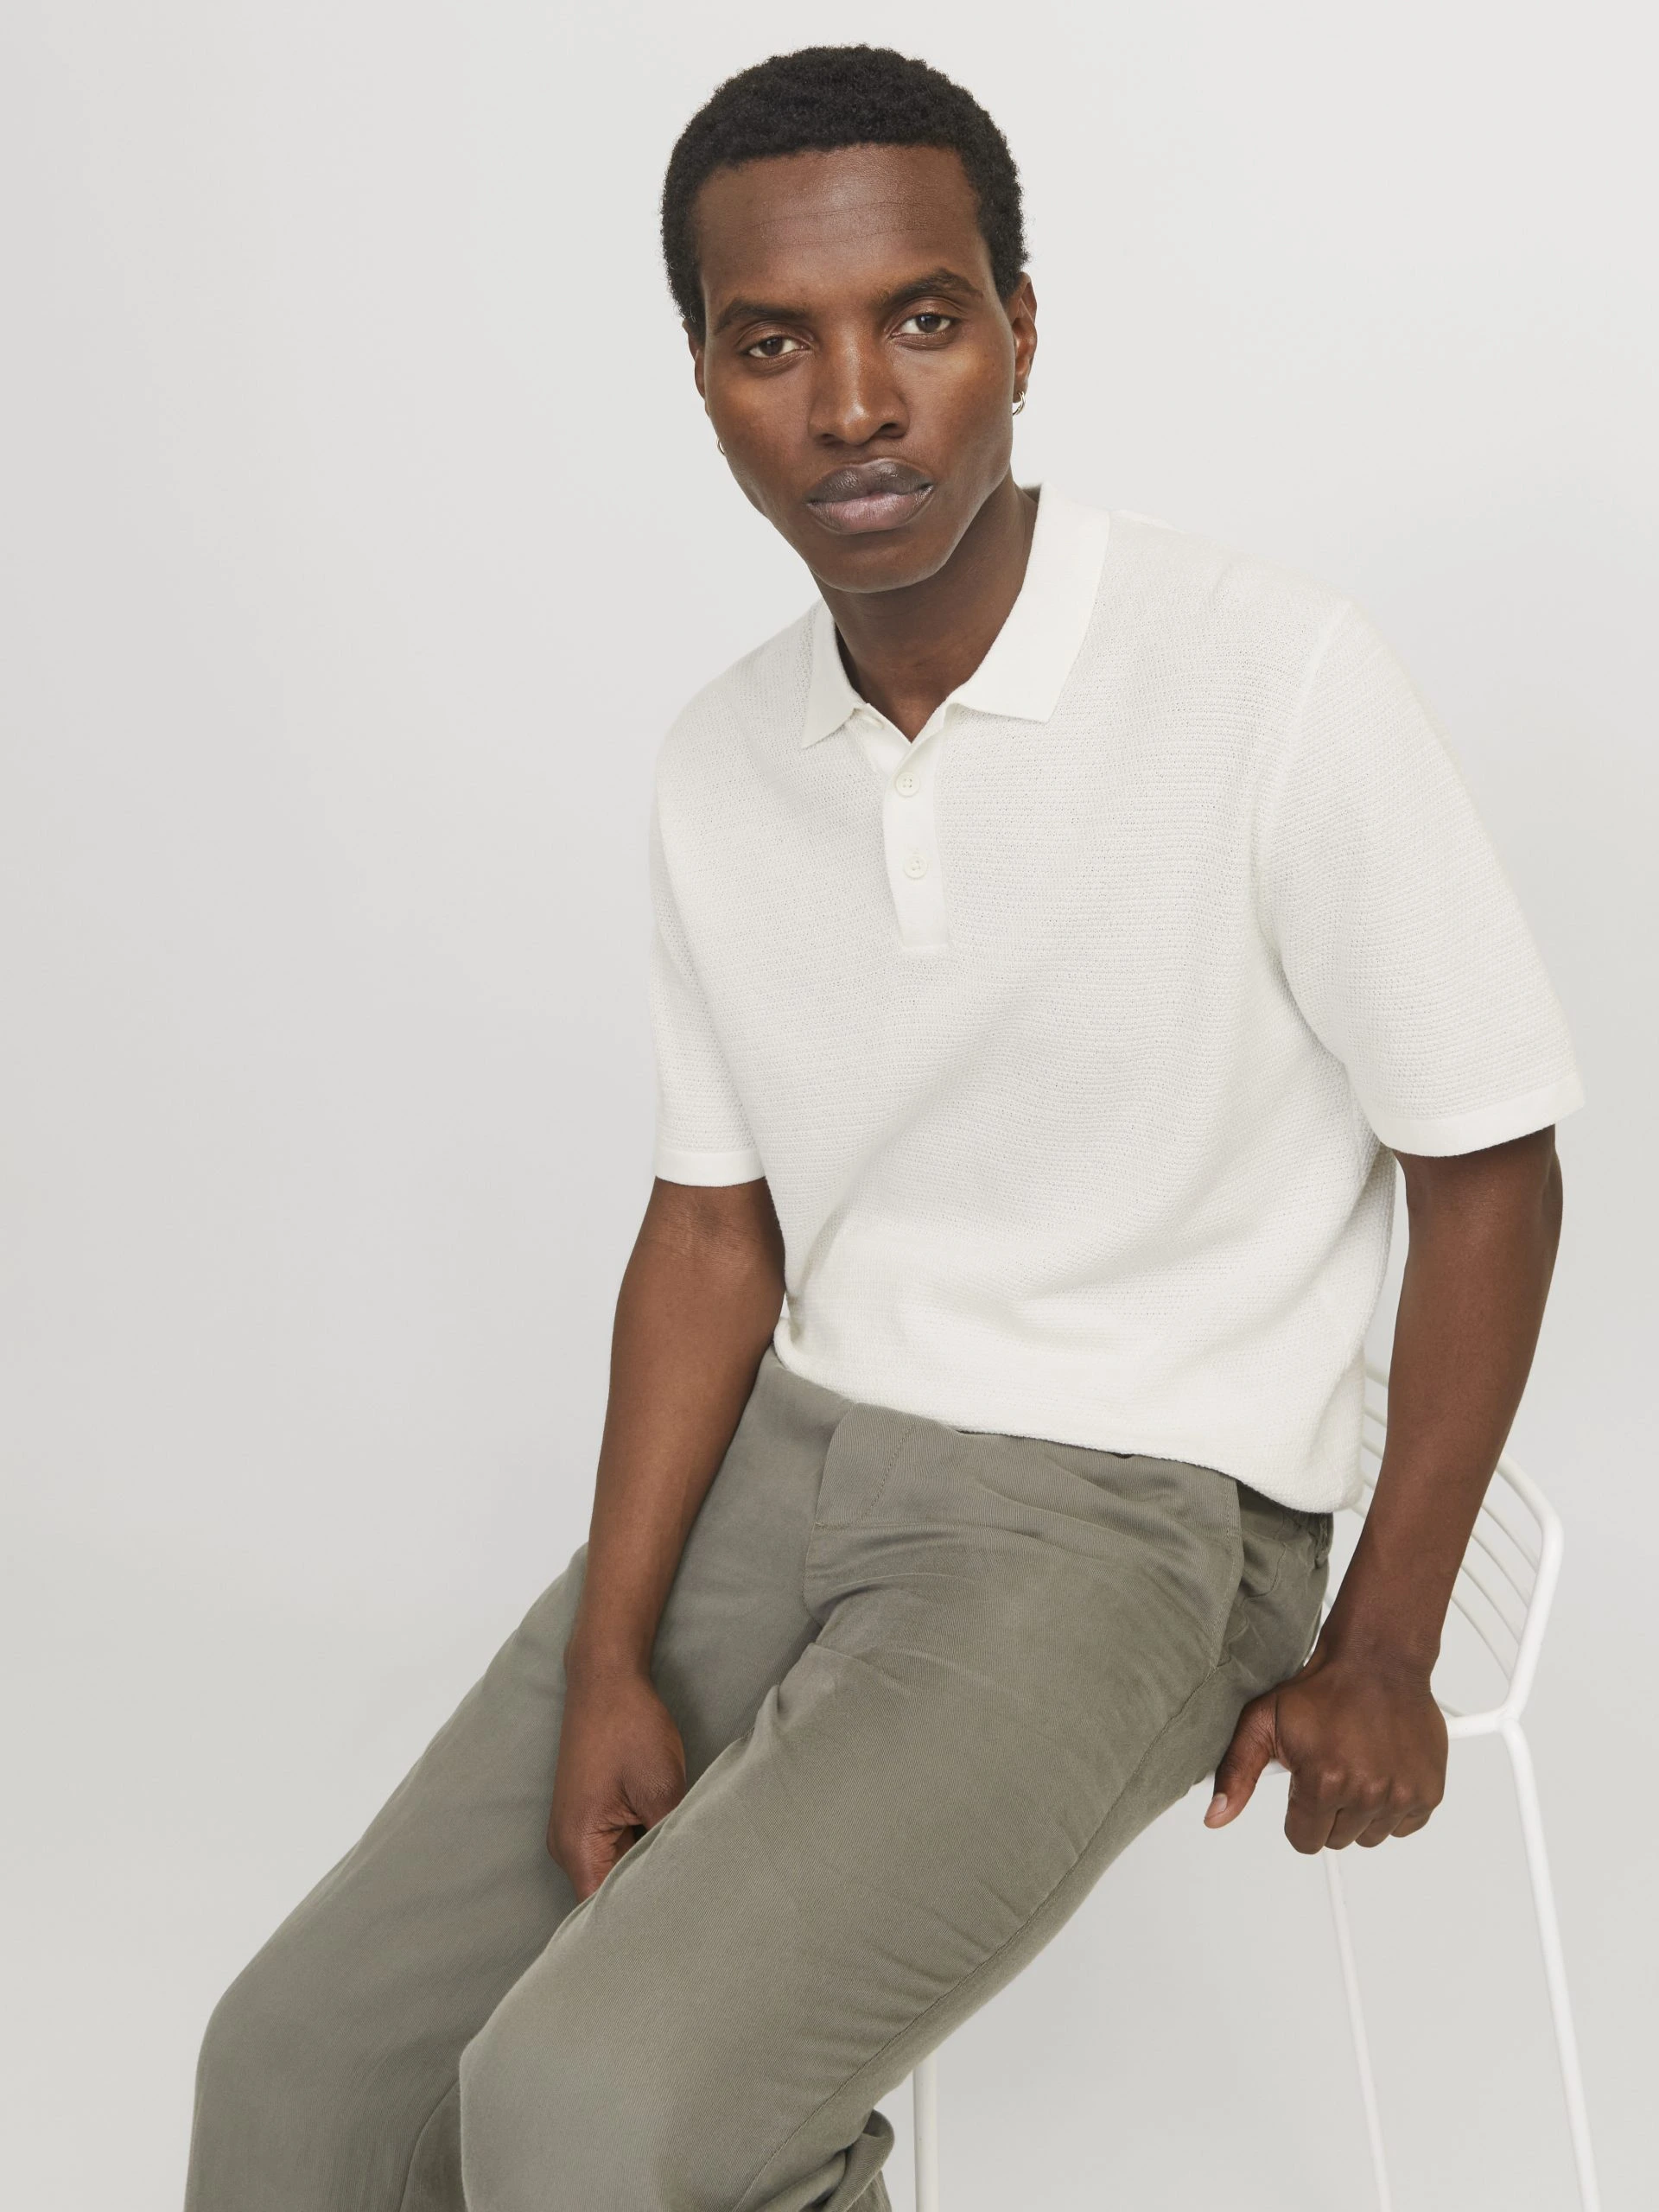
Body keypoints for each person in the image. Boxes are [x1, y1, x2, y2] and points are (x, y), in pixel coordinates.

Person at [182, 43, 1584, 2212]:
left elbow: (1486, 1165)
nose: (854, 403)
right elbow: (711, 1235)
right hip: (798, 1463)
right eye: (775, 344)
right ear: (705, 381)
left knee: (592, 2116)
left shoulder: (1271, 675)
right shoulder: (721, 759)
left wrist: (1382, 1636)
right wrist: (613, 1651)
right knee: (298, 2077)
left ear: (1019, 328)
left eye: (920, 319)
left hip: (1131, 1511)